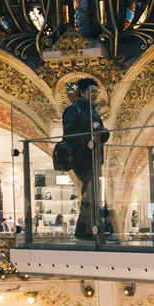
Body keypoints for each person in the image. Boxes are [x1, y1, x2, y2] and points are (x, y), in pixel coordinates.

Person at [61, 77, 109, 240]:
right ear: (82, 93)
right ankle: (102, 230)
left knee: (92, 194)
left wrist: (104, 133)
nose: (96, 94)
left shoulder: (94, 112)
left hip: (94, 157)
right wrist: (87, 140)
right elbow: (68, 133)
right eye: (92, 91)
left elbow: (100, 132)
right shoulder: (74, 110)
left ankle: (86, 230)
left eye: (97, 91)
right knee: (93, 192)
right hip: (81, 158)